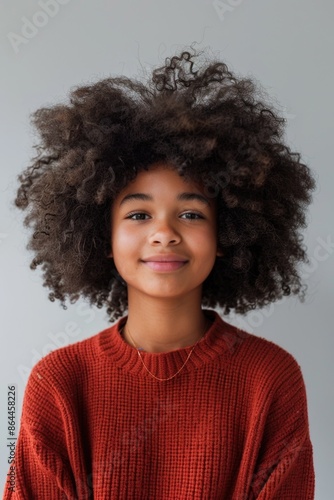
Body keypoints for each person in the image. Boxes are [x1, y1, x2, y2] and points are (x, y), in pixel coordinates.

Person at [3, 48, 315, 499]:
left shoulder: (270, 379)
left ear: (227, 232)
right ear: (99, 236)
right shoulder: (59, 382)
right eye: (137, 216)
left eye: (190, 214)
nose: (164, 233)